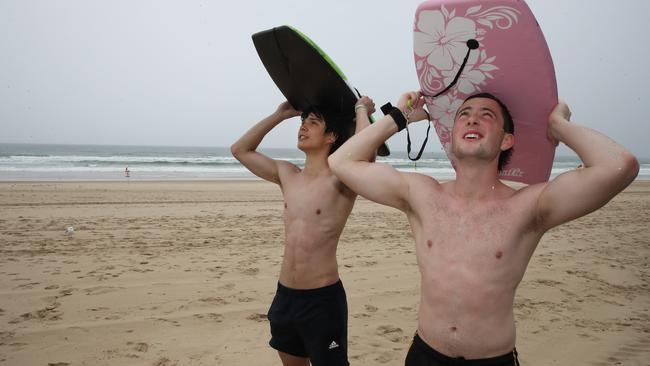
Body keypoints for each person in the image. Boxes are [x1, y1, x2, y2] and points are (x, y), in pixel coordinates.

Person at [328, 91, 639, 365]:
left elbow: (620, 166)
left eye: (486, 116)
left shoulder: (528, 206)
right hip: (425, 355)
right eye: (464, 115)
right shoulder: (422, 194)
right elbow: (342, 162)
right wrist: (400, 116)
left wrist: (558, 125)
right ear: (450, 137)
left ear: (506, 140)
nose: (472, 120)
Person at [230, 96, 376, 366]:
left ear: (332, 135)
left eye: (313, 123)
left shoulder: (341, 178)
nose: (303, 127)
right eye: (302, 122)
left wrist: (360, 110)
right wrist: (279, 115)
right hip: (285, 296)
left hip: (322, 301)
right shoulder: (287, 174)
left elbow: (365, 153)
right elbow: (240, 149)